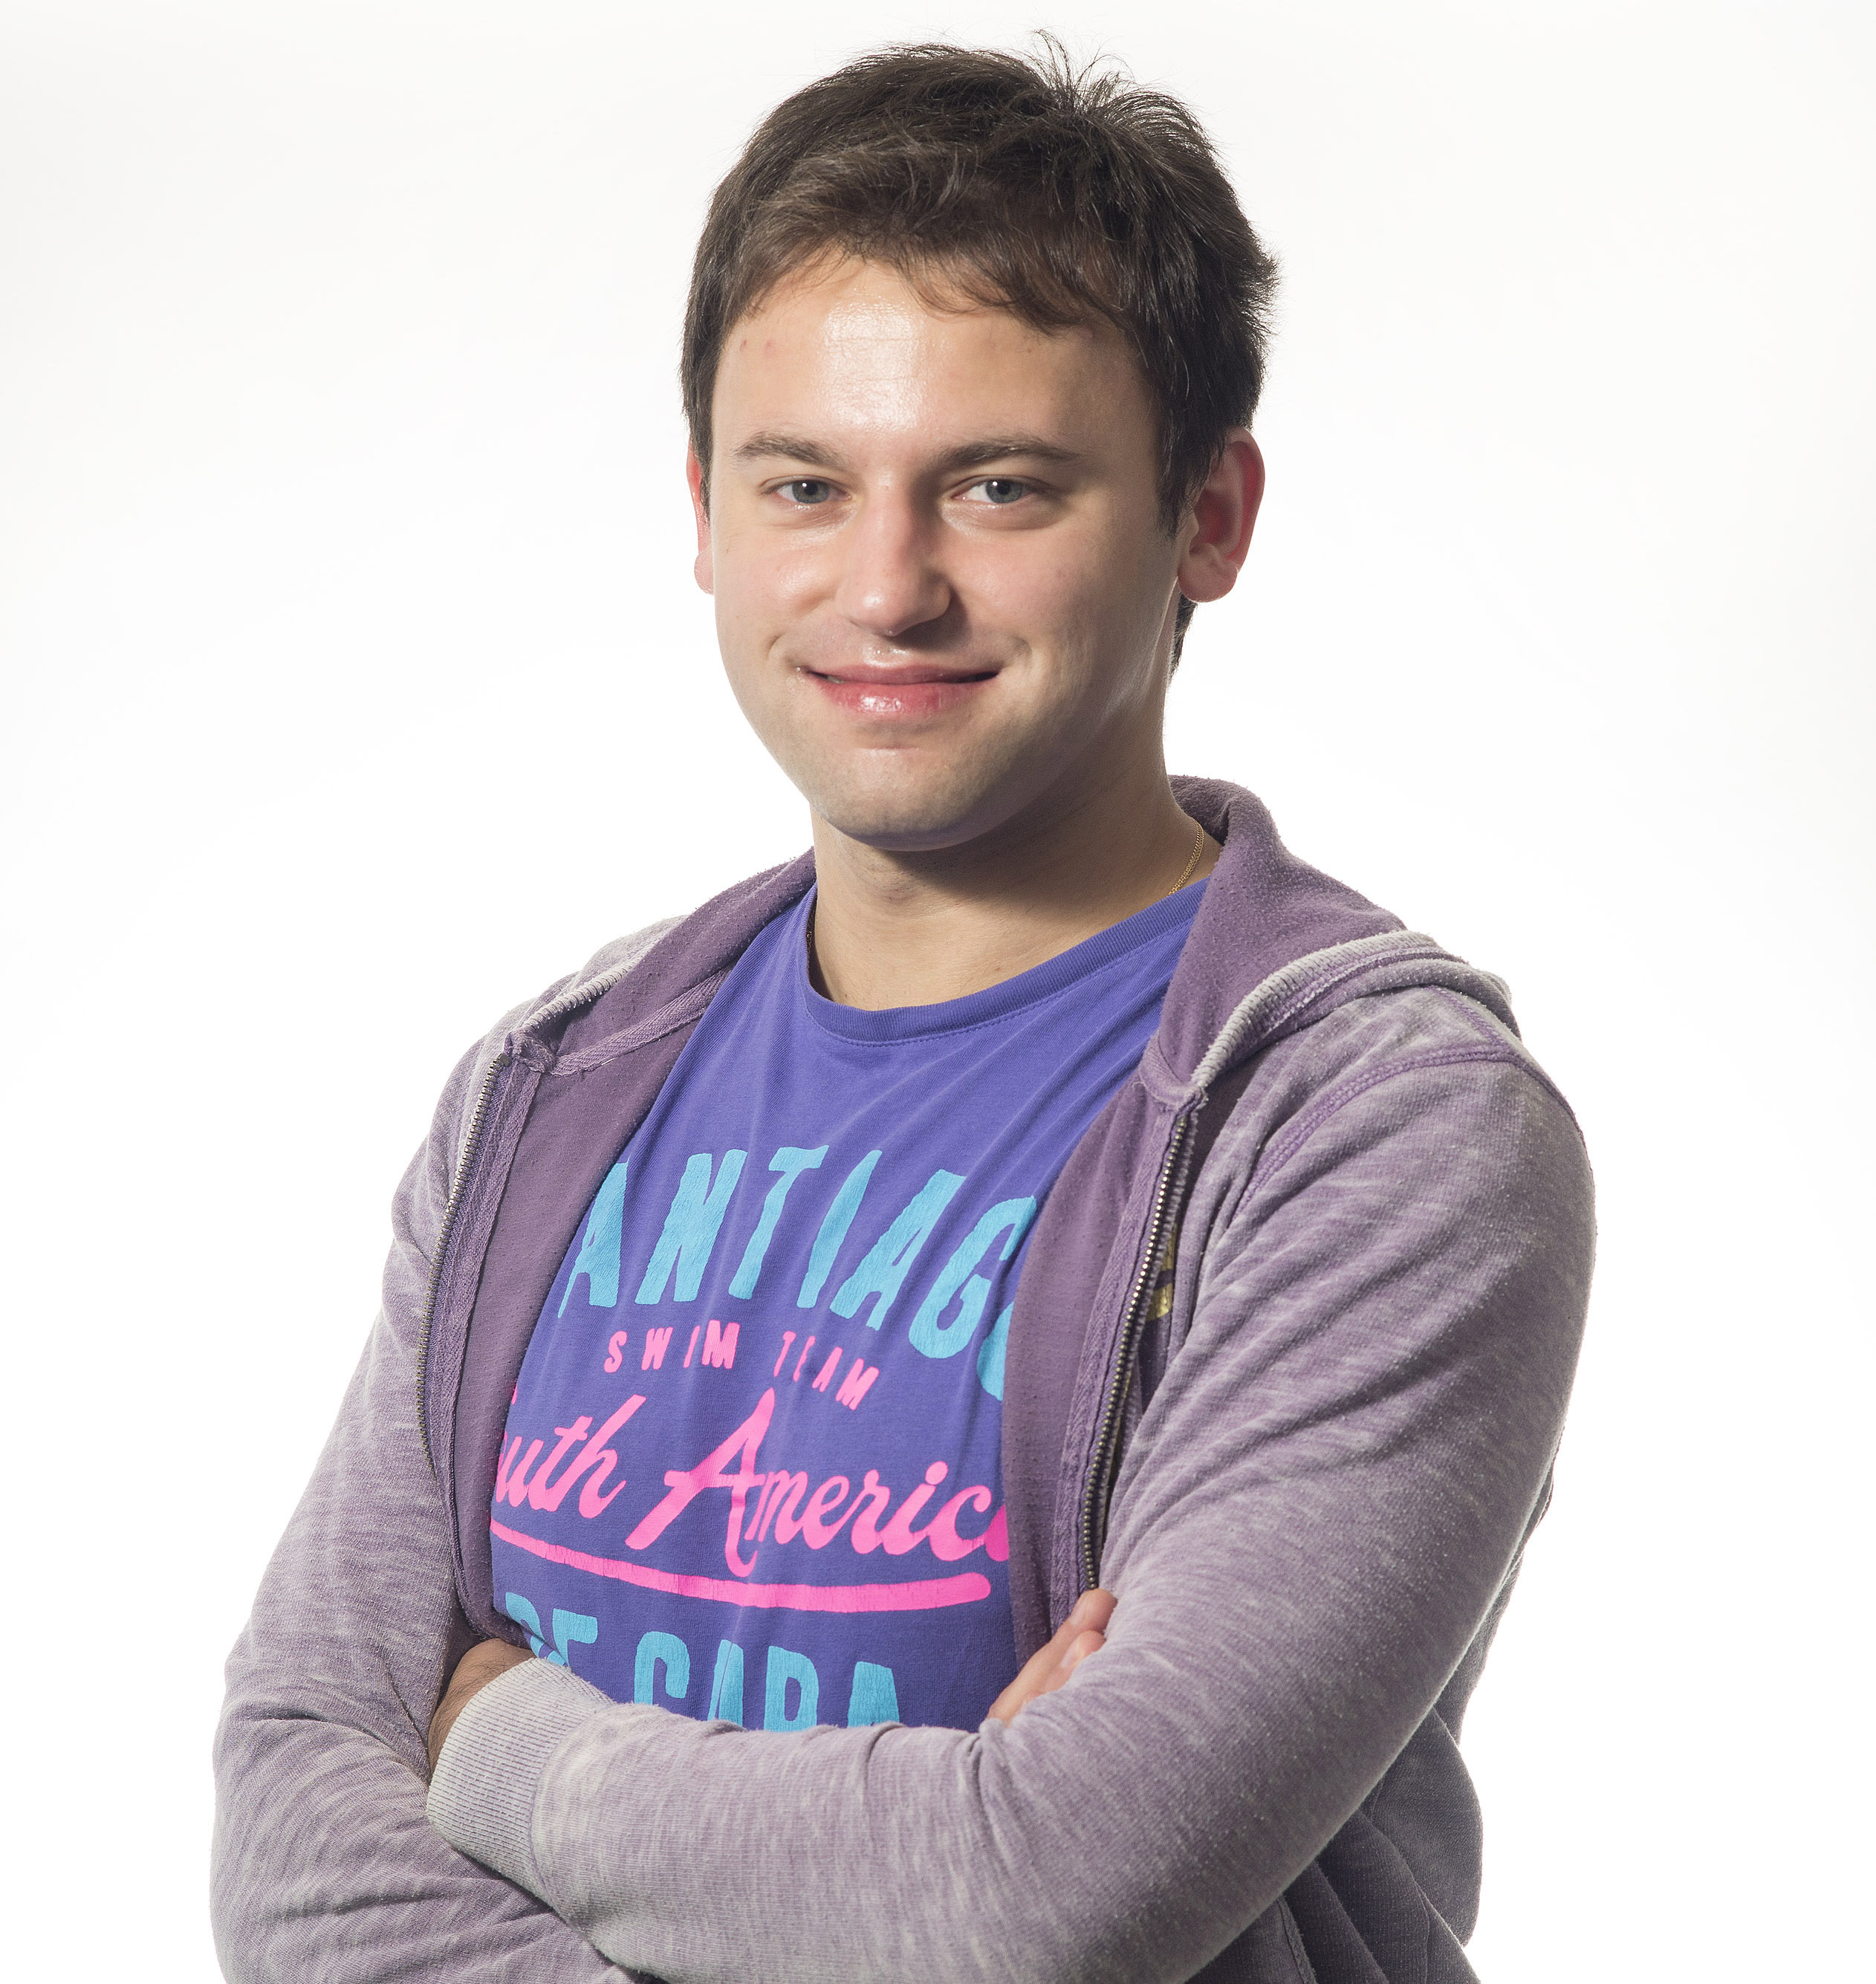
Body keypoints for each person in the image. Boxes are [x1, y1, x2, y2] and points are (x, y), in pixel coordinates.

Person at [212, 41, 1592, 1984]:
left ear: (1208, 517)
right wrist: (913, 1856)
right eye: (804, 485)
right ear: (707, 515)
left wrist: (502, 1743)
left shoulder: (1378, 1129)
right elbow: (294, 1820)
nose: (887, 588)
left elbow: (1039, 1896)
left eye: (999, 487)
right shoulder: (557, 1087)